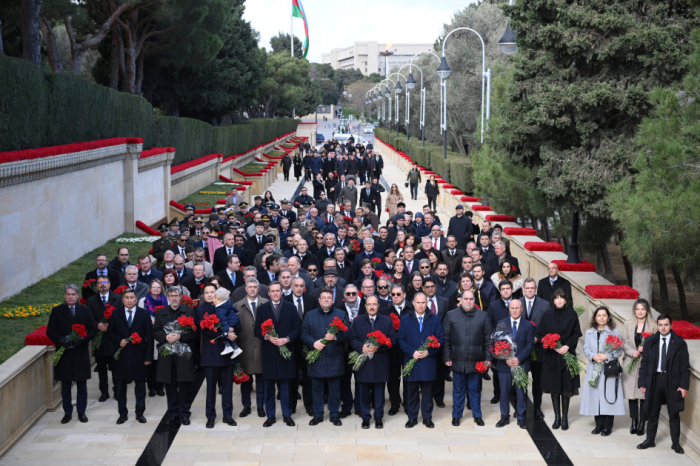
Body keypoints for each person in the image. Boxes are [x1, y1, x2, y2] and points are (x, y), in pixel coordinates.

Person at [638, 314, 690, 454]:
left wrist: (684, 386)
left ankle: (676, 443)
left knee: (674, 413)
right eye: (660, 325)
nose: (663, 327)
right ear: (657, 325)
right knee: (652, 411)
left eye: (666, 325)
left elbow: (685, 367)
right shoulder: (651, 341)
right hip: (655, 380)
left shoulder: (679, 343)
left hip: (672, 381)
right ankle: (650, 440)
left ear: (671, 325)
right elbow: (645, 364)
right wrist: (642, 382)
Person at [47, 284, 97, 424]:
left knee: (82, 384)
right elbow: (50, 332)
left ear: (77, 296)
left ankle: (81, 412)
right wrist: (61, 341)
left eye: (73, 294)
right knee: (65, 385)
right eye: (68, 294)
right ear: (65, 295)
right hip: (65, 353)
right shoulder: (57, 311)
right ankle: (67, 412)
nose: (70, 297)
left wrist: (82, 339)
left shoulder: (85, 310)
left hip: (80, 352)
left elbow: (92, 329)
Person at [254, 282, 301, 427]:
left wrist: (286, 339)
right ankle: (270, 415)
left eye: (278, 291)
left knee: (286, 387)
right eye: (272, 291)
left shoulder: (290, 307)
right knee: (268, 386)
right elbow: (257, 330)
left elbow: (297, 328)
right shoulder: (262, 309)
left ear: (282, 292)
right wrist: (267, 337)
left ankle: (287, 415)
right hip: (269, 352)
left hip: (286, 353)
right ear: (268, 293)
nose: (275, 293)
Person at [302, 288, 350, 426]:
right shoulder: (310, 315)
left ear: (333, 299)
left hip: (335, 357)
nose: (327, 300)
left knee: (335, 389)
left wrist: (336, 337)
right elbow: (303, 333)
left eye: (329, 297)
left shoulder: (341, 314)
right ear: (319, 300)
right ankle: (318, 414)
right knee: (317, 389)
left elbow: (348, 334)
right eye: (324, 297)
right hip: (317, 358)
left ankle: (334, 414)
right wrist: (313, 343)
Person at [537, 289, 583, 431]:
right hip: (552, 356)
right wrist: (552, 345)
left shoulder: (572, 314)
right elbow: (541, 333)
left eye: (561, 297)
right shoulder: (547, 314)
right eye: (556, 297)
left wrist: (567, 346)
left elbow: (576, 333)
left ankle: (565, 418)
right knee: (554, 388)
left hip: (566, 355)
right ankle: (557, 417)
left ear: (565, 299)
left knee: (566, 388)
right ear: (553, 299)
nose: (559, 300)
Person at [397, 292, 445, 429]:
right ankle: (412, 418)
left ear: (427, 303)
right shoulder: (405, 319)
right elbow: (400, 339)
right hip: (411, 361)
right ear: (413, 303)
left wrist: (429, 352)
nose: (420, 305)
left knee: (428, 393)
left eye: (423, 302)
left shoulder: (434, 319)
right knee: (411, 392)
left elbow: (440, 339)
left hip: (428, 362)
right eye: (418, 302)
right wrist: (412, 352)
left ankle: (427, 417)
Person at [107, 288, 153, 424]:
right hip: (121, 357)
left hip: (139, 356)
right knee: (120, 387)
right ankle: (122, 414)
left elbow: (149, 337)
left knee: (140, 387)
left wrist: (149, 357)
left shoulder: (144, 314)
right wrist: (118, 340)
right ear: (123, 299)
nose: (129, 300)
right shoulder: (116, 314)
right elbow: (109, 333)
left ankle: (140, 413)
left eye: (132, 297)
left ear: (136, 299)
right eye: (126, 298)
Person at [350, 295, 396, 429]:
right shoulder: (357, 321)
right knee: (363, 393)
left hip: (380, 363)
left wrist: (379, 347)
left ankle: (378, 417)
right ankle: (365, 418)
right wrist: (361, 347)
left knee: (379, 393)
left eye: (374, 304)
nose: (371, 307)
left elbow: (393, 339)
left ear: (378, 306)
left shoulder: (386, 321)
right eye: (369, 304)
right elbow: (352, 339)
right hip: (363, 364)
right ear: (365, 306)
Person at [153, 287, 197, 425]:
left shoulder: (189, 311)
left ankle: (185, 413)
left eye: (176, 295)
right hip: (167, 354)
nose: (174, 298)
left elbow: (194, 332)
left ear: (181, 296)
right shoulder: (160, 313)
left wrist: (180, 337)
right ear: (167, 297)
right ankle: (173, 413)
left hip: (183, 353)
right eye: (171, 295)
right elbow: (155, 332)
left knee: (184, 385)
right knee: (170, 385)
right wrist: (166, 337)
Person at [196, 284, 238, 428]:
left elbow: (237, 323)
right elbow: (207, 330)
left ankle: (228, 415)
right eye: (206, 293)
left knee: (227, 388)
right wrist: (226, 334)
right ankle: (211, 416)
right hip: (211, 354)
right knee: (211, 388)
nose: (209, 295)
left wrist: (232, 329)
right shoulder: (201, 309)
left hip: (228, 354)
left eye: (212, 292)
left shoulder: (226, 305)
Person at [580, 306, 625, 436]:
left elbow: (619, 350)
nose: (601, 318)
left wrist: (606, 356)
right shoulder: (589, 332)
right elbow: (586, 348)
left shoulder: (614, 332)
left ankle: (607, 426)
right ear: (595, 318)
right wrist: (593, 356)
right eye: (599, 315)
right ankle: (598, 425)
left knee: (608, 396)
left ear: (608, 317)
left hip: (608, 368)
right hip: (594, 367)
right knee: (595, 397)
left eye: (604, 315)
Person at [495, 300, 535, 429]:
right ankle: (504, 416)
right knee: (504, 392)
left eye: (517, 308)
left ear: (521, 309)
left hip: (521, 365)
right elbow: (497, 344)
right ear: (509, 309)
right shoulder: (501, 324)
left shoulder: (528, 326)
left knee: (521, 392)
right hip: (504, 365)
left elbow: (529, 346)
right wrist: (505, 357)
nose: (514, 310)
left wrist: (518, 358)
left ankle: (521, 417)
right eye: (512, 308)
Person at [621, 298, 658, 436]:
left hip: (645, 363)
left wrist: (646, 349)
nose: (640, 311)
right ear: (634, 310)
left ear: (647, 310)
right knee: (631, 395)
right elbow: (623, 343)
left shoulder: (653, 327)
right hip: (630, 362)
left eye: (643, 309)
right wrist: (632, 352)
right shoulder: (627, 324)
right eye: (637, 309)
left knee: (643, 395)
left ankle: (643, 423)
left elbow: (656, 346)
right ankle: (634, 422)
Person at [235, 279, 268, 418]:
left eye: (255, 287)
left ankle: (260, 406)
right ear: (246, 289)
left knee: (261, 381)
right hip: (245, 349)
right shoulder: (237, 306)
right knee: (245, 381)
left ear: (259, 288)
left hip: (262, 348)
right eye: (250, 287)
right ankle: (246, 406)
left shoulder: (266, 303)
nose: (253, 289)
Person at [86, 275, 121, 402]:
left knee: (116, 368)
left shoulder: (118, 299)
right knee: (101, 369)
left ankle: (117, 391)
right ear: (96, 286)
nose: (102, 285)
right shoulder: (91, 301)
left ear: (110, 284)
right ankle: (104, 392)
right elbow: (88, 319)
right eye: (100, 283)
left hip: (114, 340)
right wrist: (97, 325)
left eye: (105, 282)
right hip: (99, 341)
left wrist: (110, 326)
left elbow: (121, 318)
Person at [520, 278, 551, 420]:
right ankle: (522, 407)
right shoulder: (517, 303)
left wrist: (538, 337)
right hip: (521, 350)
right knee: (522, 380)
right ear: (523, 289)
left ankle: (537, 408)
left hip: (539, 350)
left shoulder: (545, 305)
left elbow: (547, 326)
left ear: (536, 289)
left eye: (532, 288)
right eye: (528, 288)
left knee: (537, 382)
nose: (530, 290)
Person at [137, 280, 167, 397]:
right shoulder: (143, 301)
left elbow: (168, 317)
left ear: (161, 289)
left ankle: (160, 387)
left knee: (161, 363)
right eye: (153, 287)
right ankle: (151, 388)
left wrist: (159, 322)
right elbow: (140, 317)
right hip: (147, 336)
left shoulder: (166, 300)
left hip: (161, 334)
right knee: (149, 363)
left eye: (158, 287)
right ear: (150, 288)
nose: (156, 289)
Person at [213, 288, 243, 359]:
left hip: (230, 322)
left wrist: (225, 331)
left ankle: (228, 347)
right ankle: (236, 348)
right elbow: (232, 307)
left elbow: (223, 321)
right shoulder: (227, 303)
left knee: (223, 335)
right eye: (215, 297)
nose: (215, 300)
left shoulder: (220, 309)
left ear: (223, 300)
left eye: (218, 299)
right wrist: (236, 311)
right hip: (233, 319)